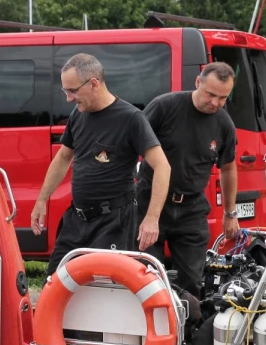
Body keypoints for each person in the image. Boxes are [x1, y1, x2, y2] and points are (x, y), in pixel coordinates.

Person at [31, 53, 171, 276]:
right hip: (77, 219)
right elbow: (63, 158)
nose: (68, 98)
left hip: (113, 222)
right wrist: (41, 200)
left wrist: (152, 219)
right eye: (65, 91)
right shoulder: (78, 115)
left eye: (73, 91)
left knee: (103, 289)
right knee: (55, 281)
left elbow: (163, 166)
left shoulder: (131, 118)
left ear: (94, 83)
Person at [138, 61, 240, 295]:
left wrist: (230, 213)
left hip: (192, 208)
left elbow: (228, 168)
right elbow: (129, 145)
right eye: (211, 94)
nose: (215, 103)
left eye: (223, 98)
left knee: (193, 281)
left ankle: (188, 329)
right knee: (147, 276)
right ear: (198, 82)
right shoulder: (165, 107)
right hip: (151, 203)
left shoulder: (224, 123)